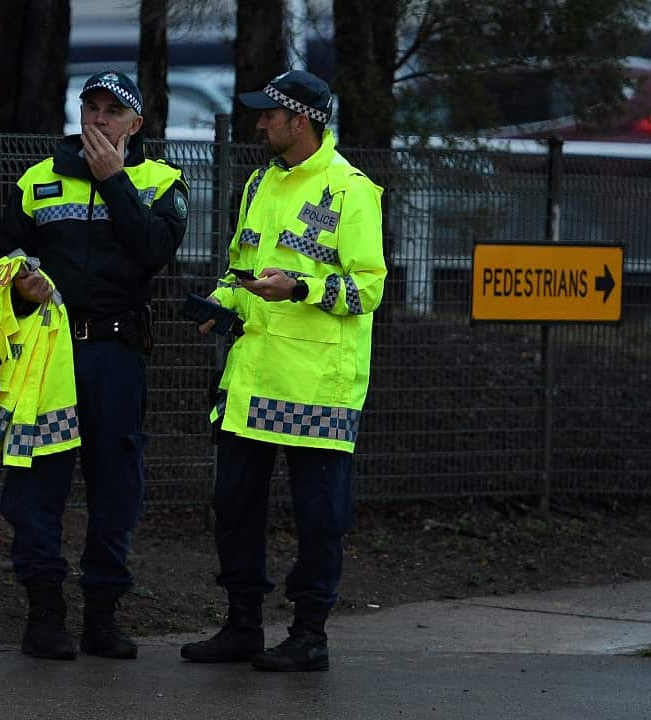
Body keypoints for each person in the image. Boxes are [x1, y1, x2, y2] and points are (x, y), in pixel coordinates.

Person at [179, 70, 387, 672]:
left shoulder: (352, 190)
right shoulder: (259, 183)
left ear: (301, 120)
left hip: (319, 387)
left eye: (269, 114)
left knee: (319, 519)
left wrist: (299, 286)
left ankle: (309, 635)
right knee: (233, 504)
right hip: (253, 377)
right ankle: (242, 626)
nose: (260, 123)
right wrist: (222, 300)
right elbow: (241, 267)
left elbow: (367, 290)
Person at [0, 70, 189, 661]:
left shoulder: (161, 182)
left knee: (115, 485)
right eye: (91, 107)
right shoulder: (38, 179)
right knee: (37, 482)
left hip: (114, 353)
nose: (99, 120)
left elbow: (156, 252)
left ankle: (102, 616)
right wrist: (18, 280)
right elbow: (5, 254)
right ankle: (44, 615)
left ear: (137, 124)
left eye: (112, 111)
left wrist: (115, 182)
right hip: (47, 355)